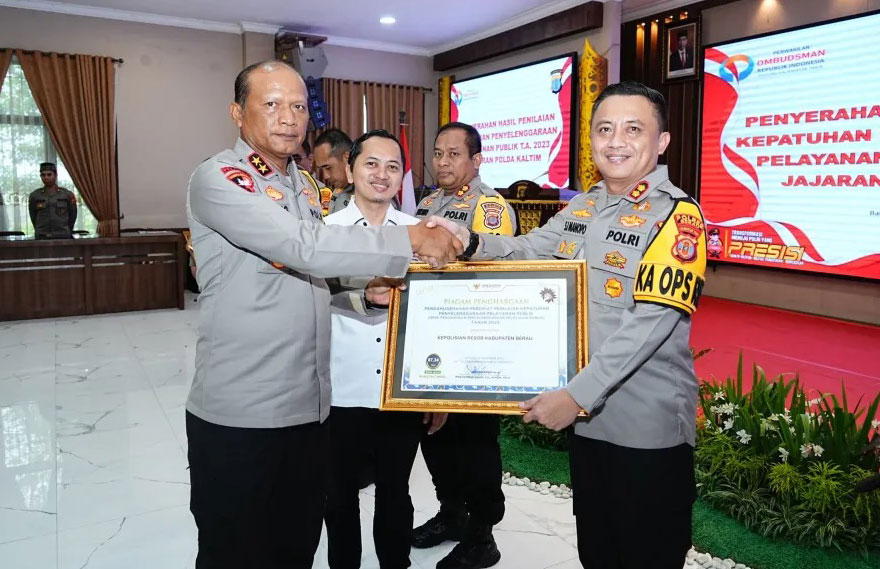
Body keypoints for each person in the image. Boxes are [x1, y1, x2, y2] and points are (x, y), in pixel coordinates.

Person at [185, 59, 461, 569]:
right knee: (237, 551)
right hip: (244, 410)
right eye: (271, 104)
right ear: (237, 113)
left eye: (297, 106)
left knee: (296, 547)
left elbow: (314, 280)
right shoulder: (221, 177)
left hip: (308, 410)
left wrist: (363, 296)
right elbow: (304, 247)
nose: (288, 117)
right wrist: (410, 239)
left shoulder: (303, 187)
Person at [430, 81, 707, 569]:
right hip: (588, 425)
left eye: (633, 129)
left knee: (647, 554)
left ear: (661, 141)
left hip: (645, 427)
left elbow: (651, 322)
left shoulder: (678, 217)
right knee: (597, 551)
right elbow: (528, 250)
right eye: (604, 129)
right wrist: (468, 241)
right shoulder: (584, 205)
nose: (615, 141)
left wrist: (576, 396)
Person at [323, 129, 448, 569]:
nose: (382, 174)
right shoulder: (325, 233)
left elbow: (435, 317)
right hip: (341, 390)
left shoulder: (421, 235)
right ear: (350, 169)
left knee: (396, 490)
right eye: (371, 164)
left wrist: (435, 391)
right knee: (338, 494)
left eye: (393, 166)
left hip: (400, 390)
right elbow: (311, 304)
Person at [411, 122, 516, 569]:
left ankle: (482, 534)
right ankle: (451, 513)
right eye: (438, 153)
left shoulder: (489, 208)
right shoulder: (428, 203)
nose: (443, 162)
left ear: (476, 160)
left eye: (454, 154)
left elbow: (499, 268)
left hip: (474, 341)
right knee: (435, 434)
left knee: (474, 441)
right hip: (434, 336)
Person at [28, 162, 77, 239]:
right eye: (43, 175)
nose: (46, 177)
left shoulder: (67, 195)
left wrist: (67, 230)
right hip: (42, 236)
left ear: (56, 175)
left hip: (63, 236)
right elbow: (33, 217)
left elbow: (72, 216)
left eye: (49, 174)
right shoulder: (35, 195)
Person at [314, 128, 356, 214]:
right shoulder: (338, 191)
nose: (325, 176)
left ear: (347, 158)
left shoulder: (367, 193)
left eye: (328, 167)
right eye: (321, 169)